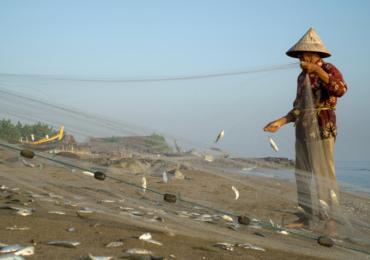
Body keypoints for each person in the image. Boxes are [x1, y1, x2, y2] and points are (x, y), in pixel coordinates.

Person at [263, 27, 347, 237]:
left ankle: (330, 222)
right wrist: (281, 121)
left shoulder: (328, 68)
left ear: (313, 53)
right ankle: (306, 218)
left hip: (323, 127)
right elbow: (299, 106)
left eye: (303, 55)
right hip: (302, 128)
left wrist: (319, 72)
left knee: (324, 175)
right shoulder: (301, 77)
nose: (300, 59)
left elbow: (341, 89)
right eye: (298, 55)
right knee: (301, 174)